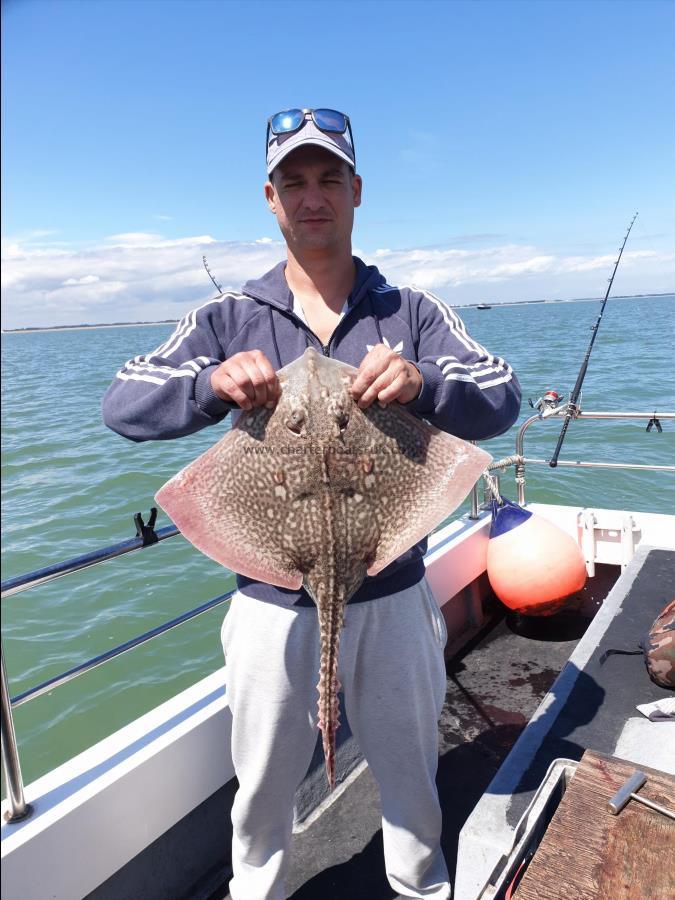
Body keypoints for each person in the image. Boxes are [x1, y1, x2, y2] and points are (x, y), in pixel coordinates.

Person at [102, 107, 521, 900]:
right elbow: (124, 401)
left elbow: (500, 392)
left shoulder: (411, 313)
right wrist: (209, 383)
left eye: (329, 178)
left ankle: (420, 884)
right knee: (260, 784)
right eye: (294, 182)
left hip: (394, 590)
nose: (312, 196)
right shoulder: (228, 318)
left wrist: (423, 383)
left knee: (407, 767)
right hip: (269, 602)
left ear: (356, 190)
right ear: (270, 198)